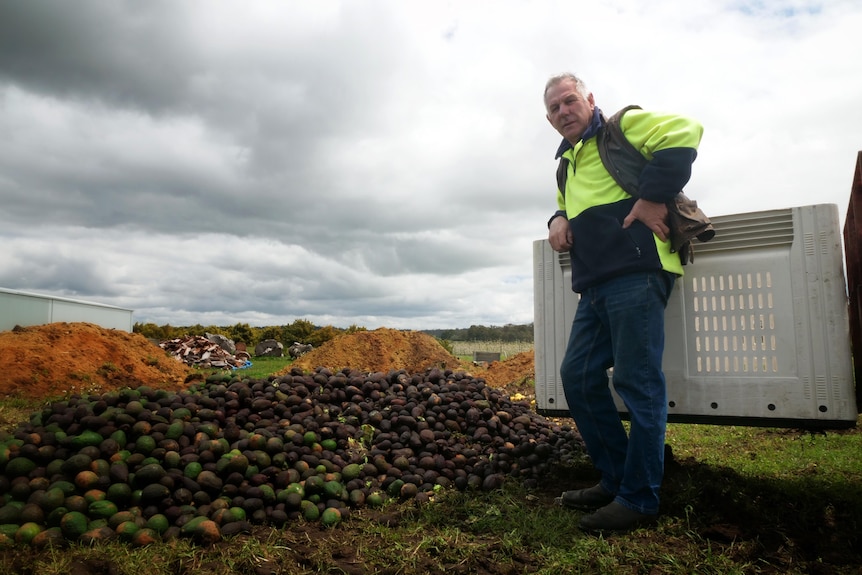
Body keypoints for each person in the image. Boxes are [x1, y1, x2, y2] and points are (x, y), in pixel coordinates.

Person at [544, 73, 703, 532]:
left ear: (589, 99)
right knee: (577, 376)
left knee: (637, 383)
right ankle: (616, 479)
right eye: (554, 109)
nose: (563, 112)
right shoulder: (566, 164)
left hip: (638, 273)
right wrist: (557, 216)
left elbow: (685, 132)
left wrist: (652, 198)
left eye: (569, 101)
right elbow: (566, 202)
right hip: (594, 284)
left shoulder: (621, 128)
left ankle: (639, 498)